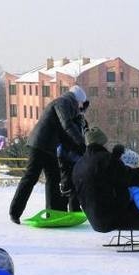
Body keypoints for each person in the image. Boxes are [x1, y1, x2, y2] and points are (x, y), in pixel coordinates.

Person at [9, 86, 88, 222]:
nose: (79, 107)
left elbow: (65, 132)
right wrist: (82, 144)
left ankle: (55, 213)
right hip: (39, 144)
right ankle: (15, 212)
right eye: (80, 104)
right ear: (76, 100)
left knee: (54, 179)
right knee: (31, 177)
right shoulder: (62, 103)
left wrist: (78, 146)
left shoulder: (67, 105)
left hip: (49, 146)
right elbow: (67, 125)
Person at [58, 100, 90, 212]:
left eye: (84, 110)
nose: (82, 112)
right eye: (81, 110)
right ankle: (62, 209)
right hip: (66, 155)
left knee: (76, 183)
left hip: (77, 157)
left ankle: (74, 209)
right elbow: (68, 137)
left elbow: (86, 135)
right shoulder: (69, 120)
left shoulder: (82, 121)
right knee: (67, 184)